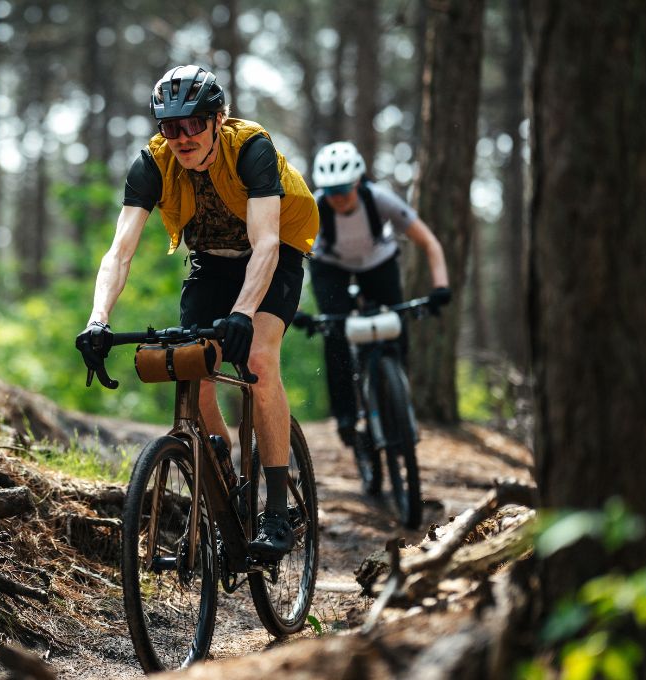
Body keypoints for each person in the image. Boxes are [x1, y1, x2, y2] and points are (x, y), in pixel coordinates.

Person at [75, 65, 318, 560]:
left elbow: (267, 244)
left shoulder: (250, 149)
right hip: (211, 260)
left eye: (193, 124)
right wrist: (97, 320)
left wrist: (244, 313)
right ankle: (227, 485)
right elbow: (119, 252)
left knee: (258, 360)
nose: (182, 137)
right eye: (170, 126)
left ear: (218, 120)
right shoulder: (152, 164)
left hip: (275, 254)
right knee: (190, 365)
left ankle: (275, 511)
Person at [302, 141, 451, 448]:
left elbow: (429, 242)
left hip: (378, 262)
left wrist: (440, 287)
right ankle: (345, 416)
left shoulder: (379, 199)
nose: (337, 198)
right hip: (330, 266)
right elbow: (287, 254)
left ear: (357, 182)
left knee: (396, 326)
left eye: (343, 189)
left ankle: (397, 395)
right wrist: (292, 307)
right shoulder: (314, 208)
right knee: (335, 330)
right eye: (330, 191)